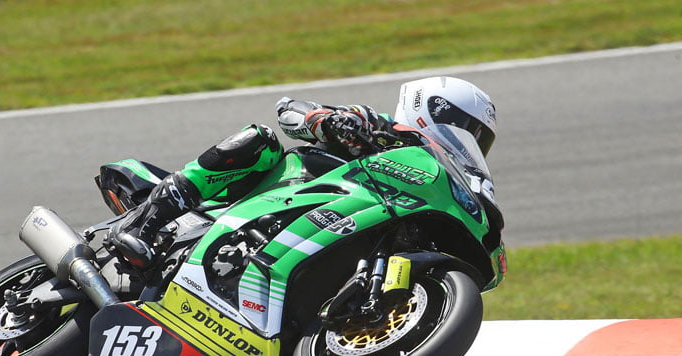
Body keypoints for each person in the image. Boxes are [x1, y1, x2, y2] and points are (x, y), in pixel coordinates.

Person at [104, 76, 497, 270]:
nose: (472, 143)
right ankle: (144, 224)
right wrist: (328, 121)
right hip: (276, 193)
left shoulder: (432, 179)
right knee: (259, 140)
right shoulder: (380, 127)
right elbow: (288, 110)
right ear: (438, 111)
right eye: (470, 130)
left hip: (342, 224)